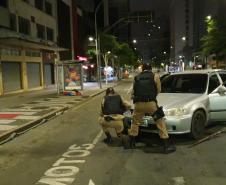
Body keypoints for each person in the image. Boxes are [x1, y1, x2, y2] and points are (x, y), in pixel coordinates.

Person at [127, 63, 176, 154]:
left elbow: (133, 91)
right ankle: (165, 145)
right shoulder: (155, 76)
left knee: (135, 122)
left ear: (142, 69)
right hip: (151, 103)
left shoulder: (136, 77)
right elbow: (159, 90)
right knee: (160, 122)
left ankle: (131, 143)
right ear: (150, 69)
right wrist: (152, 96)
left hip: (138, 104)